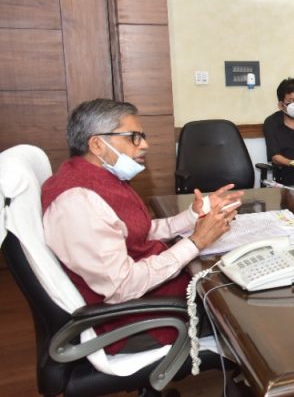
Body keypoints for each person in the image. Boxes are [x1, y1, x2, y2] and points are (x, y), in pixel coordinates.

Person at [41, 99, 242, 354]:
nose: (144, 144)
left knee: (228, 282)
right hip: (133, 322)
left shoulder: (98, 178)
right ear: (97, 144)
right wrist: (195, 242)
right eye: (133, 137)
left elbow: (137, 231)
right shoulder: (77, 201)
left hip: (152, 297)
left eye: (142, 137)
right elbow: (122, 287)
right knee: (239, 312)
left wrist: (193, 215)